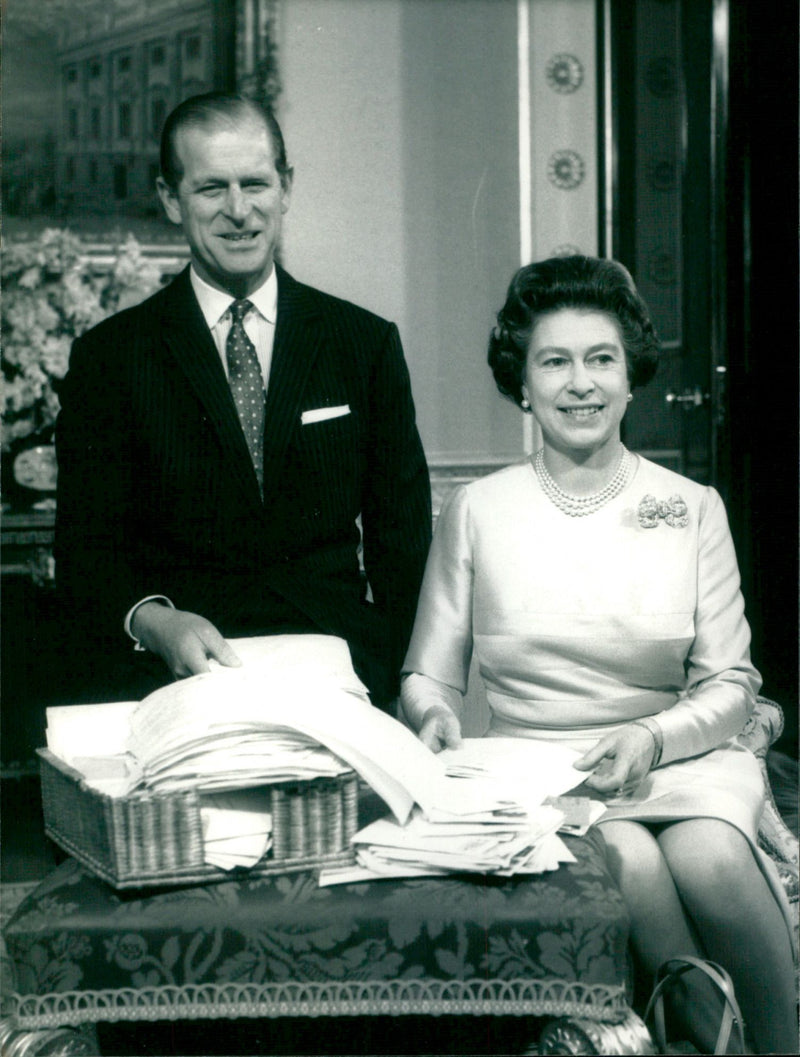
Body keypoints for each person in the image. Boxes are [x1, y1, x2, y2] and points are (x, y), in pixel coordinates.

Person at [400, 256, 796, 1053]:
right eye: (555, 361)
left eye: (600, 359)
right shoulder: (476, 510)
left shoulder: (692, 508)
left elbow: (730, 681)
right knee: (631, 859)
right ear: (522, 379)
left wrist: (650, 738)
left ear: (629, 376)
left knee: (713, 854)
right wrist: (434, 714)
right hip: (541, 775)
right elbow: (427, 675)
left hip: (681, 753)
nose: (579, 383)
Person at [54, 92, 431, 711]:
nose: (239, 211)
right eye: (211, 189)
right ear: (170, 199)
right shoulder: (111, 358)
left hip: (340, 676)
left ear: (285, 187)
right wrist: (156, 622)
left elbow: (403, 547)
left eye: (255, 183)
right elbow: (86, 549)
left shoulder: (364, 344)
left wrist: (414, 685)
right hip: (176, 682)